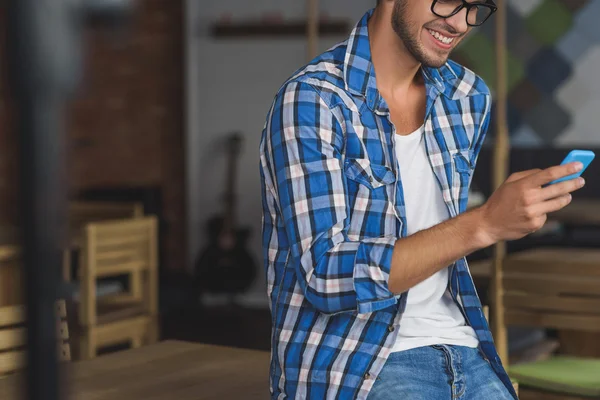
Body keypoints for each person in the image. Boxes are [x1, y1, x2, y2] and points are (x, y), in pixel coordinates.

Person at [258, 1, 585, 398]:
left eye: (475, 8)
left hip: (462, 343)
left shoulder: (466, 96)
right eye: (449, 1)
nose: (461, 23)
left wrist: (510, 214)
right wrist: (483, 224)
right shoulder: (313, 100)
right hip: (356, 359)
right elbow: (326, 276)